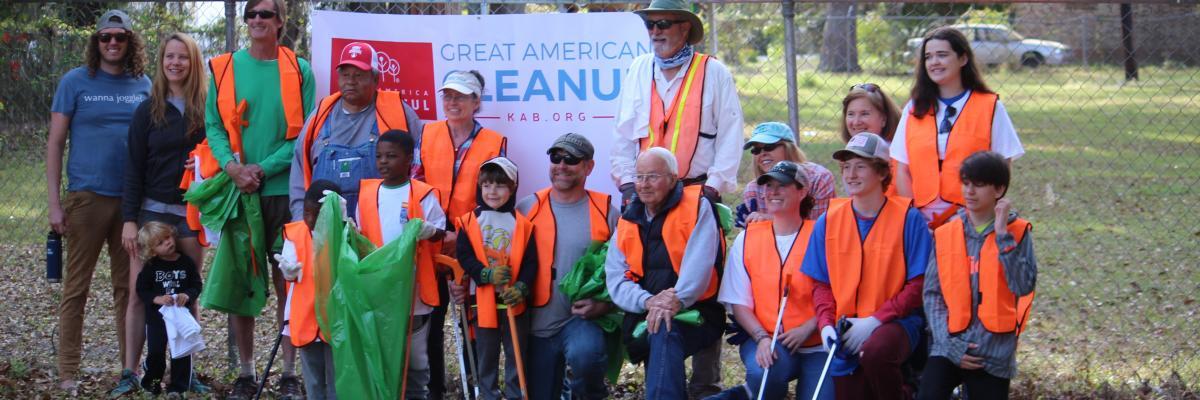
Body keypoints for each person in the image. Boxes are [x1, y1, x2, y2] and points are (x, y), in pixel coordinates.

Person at [610, 1, 744, 391]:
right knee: (653, 281)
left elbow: (731, 133)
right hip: (646, 194)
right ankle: (662, 382)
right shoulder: (638, 70)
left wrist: (713, 188)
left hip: (696, 190)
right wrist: (627, 184)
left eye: (663, 24)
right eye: (650, 25)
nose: (655, 32)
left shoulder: (713, 72)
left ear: (685, 28)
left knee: (703, 286)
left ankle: (706, 386)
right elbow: (622, 134)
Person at [202, 0, 316, 397]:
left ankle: (288, 373)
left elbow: (304, 134)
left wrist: (263, 169)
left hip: (285, 192)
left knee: (291, 284)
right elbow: (213, 127)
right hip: (240, 193)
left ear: (280, 22)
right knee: (241, 285)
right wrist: (235, 169)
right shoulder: (223, 67)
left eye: (265, 14)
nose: (255, 20)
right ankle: (246, 374)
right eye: (250, 14)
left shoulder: (298, 69)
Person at [46, 9, 150, 393]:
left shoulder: (143, 84)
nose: (112, 43)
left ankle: (130, 370)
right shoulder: (76, 82)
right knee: (77, 288)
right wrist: (55, 204)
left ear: (129, 43)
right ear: (96, 43)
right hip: (86, 198)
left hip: (130, 202)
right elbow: (55, 144)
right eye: (105, 37)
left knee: (129, 289)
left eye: (119, 38)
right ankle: (68, 372)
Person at [800, 133, 933, 400]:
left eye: (860, 166)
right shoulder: (828, 221)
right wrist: (826, 325)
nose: (850, 174)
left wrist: (875, 320)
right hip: (847, 327)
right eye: (846, 167)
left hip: (897, 323)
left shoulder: (909, 219)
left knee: (876, 351)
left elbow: (919, 286)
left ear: (882, 172)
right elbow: (821, 284)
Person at [112, 32, 208, 397]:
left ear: (193, 62)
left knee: (188, 292)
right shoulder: (148, 108)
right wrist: (130, 219)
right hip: (151, 211)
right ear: (161, 61)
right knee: (140, 293)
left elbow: (222, 149)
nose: (175, 63)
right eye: (169, 56)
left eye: (183, 57)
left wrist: (202, 162)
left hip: (191, 211)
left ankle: (185, 374)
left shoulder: (206, 106)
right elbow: (132, 167)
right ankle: (130, 371)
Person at [605, 148, 725, 399]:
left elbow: (699, 267)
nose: (644, 184)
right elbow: (616, 277)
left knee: (662, 326)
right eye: (639, 177)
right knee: (661, 326)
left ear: (673, 178)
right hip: (646, 311)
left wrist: (673, 300)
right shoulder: (628, 218)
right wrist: (648, 301)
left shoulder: (697, 206)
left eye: (652, 176)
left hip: (698, 310)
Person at [917, 151, 1038, 400]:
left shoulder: (1016, 232)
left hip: (993, 351)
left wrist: (1002, 234)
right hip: (949, 343)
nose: (970, 191)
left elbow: (1023, 285)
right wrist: (951, 344)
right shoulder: (947, 232)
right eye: (966, 183)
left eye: (979, 185)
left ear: (999, 189)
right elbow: (932, 294)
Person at [416, 70, 505, 398]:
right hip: (429, 242)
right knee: (430, 324)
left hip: (471, 244)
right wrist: (436, 232)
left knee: (471, 324)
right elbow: (417, 185)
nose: (452, 102)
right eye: (448, 95)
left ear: (476, 102)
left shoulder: (494, 142)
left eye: (461, 96)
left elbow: (495, 197)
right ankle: (434, 390)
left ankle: (480, 388)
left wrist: (462, 236)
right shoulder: (427, 134)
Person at [710, 161, 832, 400]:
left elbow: (839, 294)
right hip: (768, 338)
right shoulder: (748, 238)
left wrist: (808, 327)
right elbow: (739, 302)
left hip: (818, 344)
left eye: (782, 186)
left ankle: (741, 396)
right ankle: (755, 391)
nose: (773, 192)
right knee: (764, 371)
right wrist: (762, 338)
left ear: (802, 191)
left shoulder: (823, 236)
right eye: (768, 185)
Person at [516, 133, 618, 400]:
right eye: (556, 157)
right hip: (537, 324)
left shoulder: (607, 211)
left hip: (582, 319)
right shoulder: (527, 207)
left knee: (586, 356)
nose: (561, 165)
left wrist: (605, 306)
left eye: (571, 159)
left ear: (588, 167)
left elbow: (625, 270)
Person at [892, 27, 1024, 229]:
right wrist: (913, 217)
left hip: (969, 215)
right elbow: (901, 167)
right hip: (919, 217)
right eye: (928, 57)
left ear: (963, 59)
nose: (934, 62)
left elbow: (1002, 164)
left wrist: (977, 213)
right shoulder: (914, 108)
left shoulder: (989, 106)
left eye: (942, 55)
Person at [355, 130, 447, 398]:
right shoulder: (368, 193)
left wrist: (430, 231)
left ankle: (417, 393)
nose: (384, 162)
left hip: (413, 291)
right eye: (380, 156)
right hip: (378, 290)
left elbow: (440, 230)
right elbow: (361, 237)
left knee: (415, 358)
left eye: (392, 156)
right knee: (384, 352)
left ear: (409, 159)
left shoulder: (423, 193)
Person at [288, 41, 424, 221]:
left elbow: (420, 167)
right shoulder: (319, 117)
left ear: (376, 80)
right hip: (326, 229)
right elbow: (299, 172)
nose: (350, 82)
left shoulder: (399, 113)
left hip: (381, 226)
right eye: (345, 75)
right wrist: (300, 219)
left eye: (358, 75)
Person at [453, 157, 538, 400]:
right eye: (487, 185)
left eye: (500, 185)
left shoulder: (522, 224)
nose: (492, 191)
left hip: (514, 303)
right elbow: (464, 255)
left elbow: (531, 262)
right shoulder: (470, 221)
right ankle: (488, 395)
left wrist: (522, 287)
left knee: (516, 355)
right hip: (483, 302)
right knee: (486, 355)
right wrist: (485, 274)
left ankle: (515, 394)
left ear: (512, 188)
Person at [276, 179, 343, 400]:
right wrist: (288, 272)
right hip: (305, 319)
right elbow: (289, 270)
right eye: (306, 213)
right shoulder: (294, 234)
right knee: (313, 381)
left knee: (338, 382)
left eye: (318, 214)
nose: (311, 220)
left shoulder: (346, 233)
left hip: (336, 322)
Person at [134, 221, 203, 396]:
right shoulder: (151, 266)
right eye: (160, 243)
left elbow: (196, 284)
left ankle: (178, 388)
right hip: (157, 319)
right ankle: (152, 383)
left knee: (181, 351)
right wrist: (156, 298)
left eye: (168, 237)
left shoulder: (185, 262)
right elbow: (142, 289)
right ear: (152, 250)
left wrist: (187, 295)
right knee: (156, 352)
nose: (167, 243)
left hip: (180, 317)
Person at [736, 122, 836, 226]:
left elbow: (823, 229)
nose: (762, 153)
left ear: (789, 148)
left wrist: (770, 221)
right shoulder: (753, 189)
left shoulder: (819, 179)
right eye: (756, 150)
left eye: (769, 147)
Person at [840, 83, 901, 197]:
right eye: (851, 114)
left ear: (883, 119)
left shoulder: (898, 156)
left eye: (865, 114)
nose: (856, 122)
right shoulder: (848, 155)